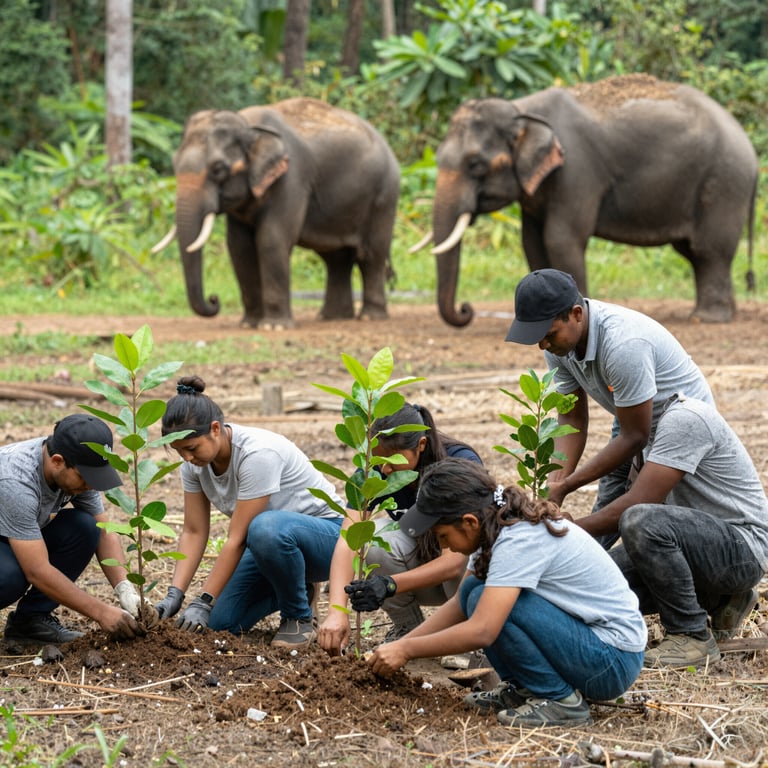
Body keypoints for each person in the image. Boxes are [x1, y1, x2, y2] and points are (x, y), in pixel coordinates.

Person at [366, 458, 646, 728]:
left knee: (486, 603)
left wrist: (406, 650)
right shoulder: (495, 527)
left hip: (611, 661)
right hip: (589, 646)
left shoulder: (518, 539)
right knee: (473, 592)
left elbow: (483, 630)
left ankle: (560, 700)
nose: (444, 545)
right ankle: (523, 689)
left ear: (469, 522)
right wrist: (400, 645)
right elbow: (459, 604)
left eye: (443, 536)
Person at [504, 268, 714, 548]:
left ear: (576, 314)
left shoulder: (623, 344)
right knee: (604, 515)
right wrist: (553, 489)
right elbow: (572, 418)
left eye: (549, 334)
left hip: (682, 428)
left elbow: (635, 436)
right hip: (630, 418)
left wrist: (568, 485)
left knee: (647, 516)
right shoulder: (559, 346)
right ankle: (582, 555)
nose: (543, 344)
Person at [574, 394, 768, 668]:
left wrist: (568, 528)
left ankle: (691, 635)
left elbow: (637, 506)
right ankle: (720, 598)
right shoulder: (631, 435)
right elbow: (607, 509)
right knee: (596, 588)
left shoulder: (684, 419)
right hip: (687, 549)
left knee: (640, 520)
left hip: (741, 549)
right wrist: (575, 566)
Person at [154, 376, 345, 648]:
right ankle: (298, 587)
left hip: (327, 540)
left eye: (191, 448)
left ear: (215, 429)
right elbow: (194, 531)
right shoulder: (193, 466)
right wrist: (176, 594)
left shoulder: (257, 454)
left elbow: (237, 538)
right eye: (179, 451)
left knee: (265, 527)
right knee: (217, 624)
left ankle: (298, 616)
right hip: (270, 547)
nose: (187, 458)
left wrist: (203, 600)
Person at [317, 403, 482, 658]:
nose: (385, 469)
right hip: (423, 571)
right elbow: (349, 540)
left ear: (421, 445)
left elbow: (454, 562)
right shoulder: (376, 468)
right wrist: (337, 612)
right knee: (371, 538)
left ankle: (461, 636)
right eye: (380, 460)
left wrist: (389, 585)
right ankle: (408, 629)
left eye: (393, 460)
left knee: (464, 548)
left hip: (461, 576)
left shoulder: (459, 464)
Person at [0, 414, 146, 647]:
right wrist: (101, 612)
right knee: (10, 576)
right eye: (85, 478)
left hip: (11, 535)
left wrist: (125, 589)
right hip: (8, 540)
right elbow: (36, 570)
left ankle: (30, 622)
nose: (90, 485)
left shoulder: (76, 464)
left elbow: (104, 531)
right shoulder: (16, 482)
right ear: (57, 461)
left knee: (86, 528)